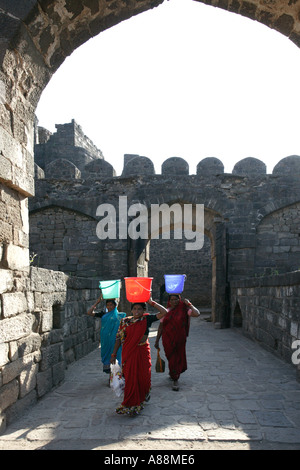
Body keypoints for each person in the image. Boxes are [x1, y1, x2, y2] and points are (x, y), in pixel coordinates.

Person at [110, 298, 167, 416]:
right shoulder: (124, 321)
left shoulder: (147, 319)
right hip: (129, 353)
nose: (137, 311)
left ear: (144, 310)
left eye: (139, 309)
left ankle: (144, 394)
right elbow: (118, 338)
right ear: (131, 310)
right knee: (131, 377)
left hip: (142, 352)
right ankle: (132, 404)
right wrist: (113, 354)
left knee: (144, 377)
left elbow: (164, 312)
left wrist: (152, 302)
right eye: (134, 309)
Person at [154, 294, 200, 391]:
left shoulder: (184, 310)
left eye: (176, 299)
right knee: (170, 357)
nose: (174, 301)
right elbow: (161, 327)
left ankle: (175, 379)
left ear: (179, 300)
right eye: (172, 300)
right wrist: (157, 340)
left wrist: (189, 304)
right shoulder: (166, 311)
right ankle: (173, 372)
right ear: (169, 301)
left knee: (177, 357)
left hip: (180, 339)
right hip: (167, 339)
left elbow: (197, 314)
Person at [87, 295, 126, 377]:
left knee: (116, 354)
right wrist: (97, 302)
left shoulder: (119, 316)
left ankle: (115, 375)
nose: (109, 306)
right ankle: (111, 376)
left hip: (115, 340)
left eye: (111, 305)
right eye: (108, 305)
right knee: (107, 355)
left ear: (115, 306)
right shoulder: (103, 314)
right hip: (105, 340)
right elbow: (89, 313)